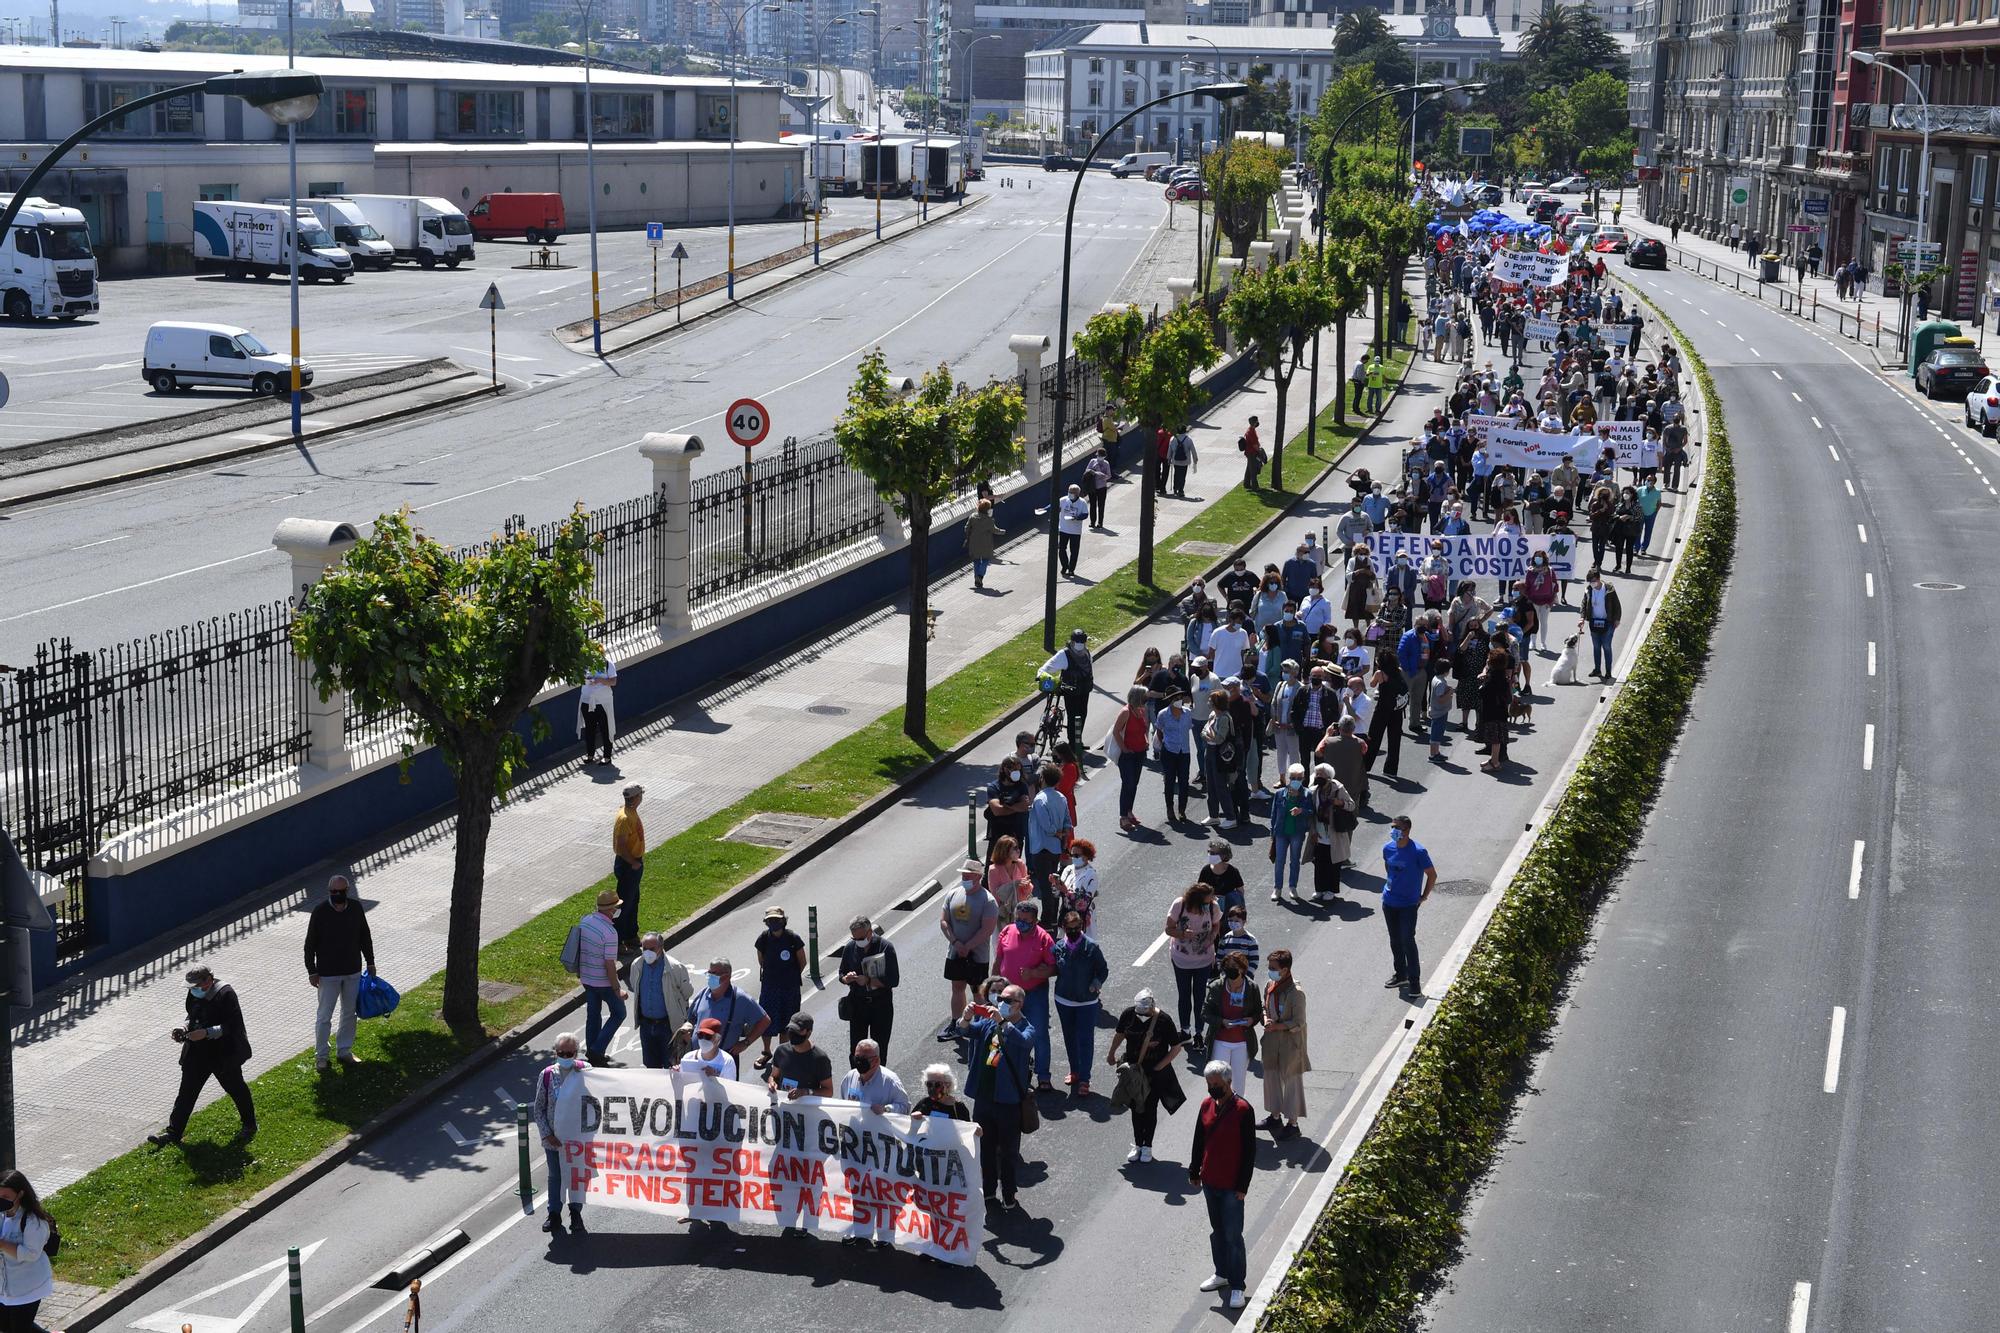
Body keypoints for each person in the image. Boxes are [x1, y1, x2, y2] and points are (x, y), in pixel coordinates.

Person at [147, 963, 255, 1146]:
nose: (193, 990)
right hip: (197, 1053)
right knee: (186, 1093)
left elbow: (233, 1025)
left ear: (209, 981)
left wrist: (206, 1033)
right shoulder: (194, 993)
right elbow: (192, 1014)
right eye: (191, 987)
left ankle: (249, 1125)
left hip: (223, 1053)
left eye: (196, 986)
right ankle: (174, 1133)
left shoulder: (226, 994)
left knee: (236, 1089)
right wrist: (184, 1027)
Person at [1189, 1060, 1258, 1310]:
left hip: (1231, 1187)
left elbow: (1249, 1152)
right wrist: (1194, 1169)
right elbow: (1199, 1139)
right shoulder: (1206, 1105)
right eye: (1209, 1084)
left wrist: (1243, 1186)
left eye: (1216, 1084)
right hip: (1210, 1181)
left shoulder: (1243, 1110)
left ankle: (1237, 1285)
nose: (1212, 1088)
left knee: (1232, 1235)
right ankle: (1222, 1274)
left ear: (1229, 1082)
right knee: (1217, 1232)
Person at [962, 983, 1035, 1209]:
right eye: (1000, 998)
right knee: (985, 1148)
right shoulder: (987, 1023)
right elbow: (965, 1030)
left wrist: (1002, 1023)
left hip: (1008, 1101)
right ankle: (989, 1191)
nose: (1002, 1003)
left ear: (1019, 1004)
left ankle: (1009, 1192)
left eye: (1008, 1000)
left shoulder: (1026, 1027)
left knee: (1008, 1151)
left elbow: (1024, 1043)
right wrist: (964, 1018)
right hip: (984, 1098)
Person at [304, 872, 376, 1071]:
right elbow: (310, 944)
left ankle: (344, 1051)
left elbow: (365, 936)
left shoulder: (355, 908)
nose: (337, 894)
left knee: (349, 1013)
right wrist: (312, 970)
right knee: (324, 1016)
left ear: (347, 891)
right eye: (333, 891)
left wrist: (370, 962)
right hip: (328, 974)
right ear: (329, 891)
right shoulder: (319, 912)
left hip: (352, 970)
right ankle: (321, 1056)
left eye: (340, 891)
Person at [1108, 988, 1187, 1163]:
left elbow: (1176, 1048)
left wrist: (1160, 1066)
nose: (1141, 1014)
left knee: (1150, 1108)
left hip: (1155, 1074)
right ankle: (1137, 1145)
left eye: (1145, 1011)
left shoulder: (1164, 1020)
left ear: (1152, 1006)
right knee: (1136, 1108)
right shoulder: (1128, 1014)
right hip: (1133, 1073)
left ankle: (1147, 1146)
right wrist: (1111, 1053)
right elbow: (1120, 1034)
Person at [994, 899, 1058, 1090]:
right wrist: (992, 985)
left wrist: (1035, 974)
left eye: (1026, 920)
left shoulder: (1044, 938)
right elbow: (998, 960)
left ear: (1035, 921)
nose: (1021, 923)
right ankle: (1013, 1072)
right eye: (1018, 919)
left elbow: (1055, 967)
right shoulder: (1007, 931)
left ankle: (1043, 1076)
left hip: (1034, 993)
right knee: (1005, 1033)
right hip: (1009, 995)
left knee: (1038, 1033)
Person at [532, 1032, 589, 1234]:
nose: (566, 1057)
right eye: (561, 1053)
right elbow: (538, 1109)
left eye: (570, 1053)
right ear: (555, 1053)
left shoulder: (586, 1072)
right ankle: (554, 1214)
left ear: (576, 1053)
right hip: (554, 1140)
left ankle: (576, 1213)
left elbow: (596, 1103)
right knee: (556, 1177)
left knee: (576, 1177)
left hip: (578, 1140)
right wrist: (547, 1134)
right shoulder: (547, 1074)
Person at [939, 860, 1000, 1041]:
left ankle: (981, 1026)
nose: (964, 877)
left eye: (968, 874)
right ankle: (956, 1024)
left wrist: (968, 946)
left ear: (979, 877)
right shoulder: (952, 894)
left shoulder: (988, 900)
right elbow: (944, 921)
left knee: (977, 991)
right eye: (963, 874)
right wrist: (956, 942)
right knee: (957, 987)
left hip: (977, 956)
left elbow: (987, 929)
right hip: (955, 952)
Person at [1051, 908, 1109, 1095]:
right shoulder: (1059, 947)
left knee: (1085, 1040)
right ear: (1064, 928)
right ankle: (1074, 1071)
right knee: (1069, 1038)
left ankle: (1085, 1078)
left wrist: (1095, 984)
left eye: (1077, 927)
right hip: (1063, 1000)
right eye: (1070, 928)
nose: (1074, 931)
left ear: (1082, 927)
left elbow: (1103, 970)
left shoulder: (1091, 947)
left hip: (1086, 1003)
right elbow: (1052, 967)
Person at [1381, 814, 1437, 997]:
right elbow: (1388, 867)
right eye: (1393, 828)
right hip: (1389, 902)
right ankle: (1401, 975)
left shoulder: (1418, 852)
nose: (1394, 831)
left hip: (1408, 905)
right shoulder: (1387, 848)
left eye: (1398, 828)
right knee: (1395, 940)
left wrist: (1423, 897)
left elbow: (1432, 875)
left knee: (1408, 940)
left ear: (1407, 831)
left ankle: (1414, 983)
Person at [685, 956, 771, 1067]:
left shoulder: (740, 999)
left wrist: (745, 1043)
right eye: (709, 973)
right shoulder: (703, 994)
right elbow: (691, 1019)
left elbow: (764, 1021)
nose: (709, 977)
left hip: (723, 1062)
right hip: (698, 1058)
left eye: (714, 974)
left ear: (726, 976)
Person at [1166, 881, 1223, 1047]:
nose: (1210, 902)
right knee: (1184, 995)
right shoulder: (1179, 905)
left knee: (1200, 997)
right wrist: (1183, 934)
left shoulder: (1213, 907)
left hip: (1204, 960)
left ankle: (1199, 1032)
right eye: (1206, 900)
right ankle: (1185, 1030)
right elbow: (1169, 929)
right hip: (1182, 959)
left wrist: (1211, 938)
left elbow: (1216, 925)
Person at [838, 915, 900, 1064]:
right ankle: (857, 1080)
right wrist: (846, 978)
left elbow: (893, 980)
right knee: (856, 1049)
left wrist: (869, 981)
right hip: (858, 1005)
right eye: (855, 939)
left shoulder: (886, 947)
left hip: (881, 1005)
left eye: (861, 938)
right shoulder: (850, 948)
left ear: (870, 932)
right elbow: (841, 973)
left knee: (880, 1048)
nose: (858, 942)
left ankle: (877, 1080)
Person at [574, 889, 626, 1066]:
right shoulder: (610, 933)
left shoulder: (586, 921)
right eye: (616, 907)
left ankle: (592, 1050)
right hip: (603, 982)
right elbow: (609, 964)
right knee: (619, 1013)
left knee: (593, 1015)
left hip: (587, 979)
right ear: (610, 910)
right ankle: (597, 1049)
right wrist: (617, 989)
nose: (618, 910)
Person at [1261, 951, 1308, 1139]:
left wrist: (1278, 1026)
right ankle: (1274, 1115)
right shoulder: (1270, 985)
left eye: (1273, 969)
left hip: (1290, 1042)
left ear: (1285, 969)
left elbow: (1299, 1022)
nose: (1270, 972)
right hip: (1272, 1039)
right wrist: (1265, 1019)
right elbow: (1264, 1006)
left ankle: (1293, 1123)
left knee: (1291, 1082)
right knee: (1271, 1078)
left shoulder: (1296, 993)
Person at [1201, 952, 1263, 1097]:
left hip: (1242, 1043)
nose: (1231, 970)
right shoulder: (1216, 986)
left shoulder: (1252, 987)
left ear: (1242, 968)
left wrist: (1251, 1020)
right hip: (1220, 1041)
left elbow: (1258, 1012)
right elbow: (1205, 1013)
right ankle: (1217, 1112)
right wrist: (1222, 1022)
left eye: (1234, 967)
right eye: (1228, 967)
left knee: (1239, 1083)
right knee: (1217, 1080)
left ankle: (1238, 1114)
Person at [0, 1171, 54, 1332]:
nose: (1, 1200)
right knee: (6, 1326)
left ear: (21, 1194)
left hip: (27, 1287)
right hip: (5, 1286)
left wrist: (2, 1244)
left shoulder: (33, 1220)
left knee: (18, 1328)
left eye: (6, 1196)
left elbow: (31, 1254)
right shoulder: (1, 1215)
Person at [633, 932, 695, 1070]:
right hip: (646, 1026)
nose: (648, 953)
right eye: (645, 949)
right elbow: (635, 987)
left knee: (672, 1066)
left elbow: (687, 992)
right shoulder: (637, 965)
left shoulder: (675, 968)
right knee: (651, 1066)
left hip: (668, 1026)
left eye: (652, 949)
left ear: (661, 947)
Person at [1026, 762, 1073, 917]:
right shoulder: (1061, 797)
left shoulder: (1040, 799)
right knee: (1054, 883)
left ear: (1043, 778)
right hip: (1055, 848)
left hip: (1041, 847)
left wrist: (1057, 833)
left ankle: (1048, 917)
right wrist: (1063, 835)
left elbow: (1047, 826)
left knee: (1046, 886)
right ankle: (1053, 916)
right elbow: (1068, 821)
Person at [1306, 763, 1358, 900]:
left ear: (1328, 776)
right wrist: (1313, 832)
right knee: (1319, 863)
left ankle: (1331, 890)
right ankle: (1320, 889)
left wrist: (1340, 803)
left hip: (1334, 834)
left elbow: (1351, 805)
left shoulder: (1338, 788)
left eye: (1321, 774)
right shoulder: (1313, 791)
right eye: (1316, 774)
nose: (1318, 776)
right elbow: (1311, 814)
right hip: (1319, 833)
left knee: (1333, 864)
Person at [1043, 628, 1094, 748]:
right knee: (1073, 716)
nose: (1080, 645)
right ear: (1072, 641)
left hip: (1084, 690)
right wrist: (1042, 676)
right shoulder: (1064, 654)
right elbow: (1048, 667)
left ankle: (1078, 740)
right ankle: (1073, 743)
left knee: (1082, 714)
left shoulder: (1086, 652)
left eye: (1082, 642)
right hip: (1070, 691)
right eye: (1078, 641)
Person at [1268, 762, 1311, 901]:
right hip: (1281, 832)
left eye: (1299, 778)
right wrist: (1272, 832)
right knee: (1279, 861)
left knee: (1294, 861)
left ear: (1303, 778)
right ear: (1289, 777)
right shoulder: (1280, 794)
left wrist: (1301, 810)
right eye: (1293, 777)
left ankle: (1293, 887)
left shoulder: (1306, 794)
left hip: (1297, 833)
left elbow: (1311, 811)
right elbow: (1274, 813)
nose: (1296, 781)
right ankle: (1277, 888)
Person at [1111, 684, 1150, 831]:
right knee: (1128, 784)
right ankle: (1123, 817)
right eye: (1144, 697)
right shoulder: (1126, 712)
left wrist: (1146, 741)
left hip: (1139, 752)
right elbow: (1116, 732)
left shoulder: (1140, 710)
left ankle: (1129, 811)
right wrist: (1125, 749)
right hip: (1128, 755)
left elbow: (1144, 729)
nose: (1146, 700)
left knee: (1134, 784)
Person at [611, 784, 645, 952]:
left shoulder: (629, 811)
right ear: (636, 797)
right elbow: (621, 845)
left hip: (633, 862)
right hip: (629, 864)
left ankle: (631, 935)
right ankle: (617, 942)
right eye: (641, 794)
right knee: (624, 903)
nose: (642, 796)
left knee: (633, 900)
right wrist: (633, 862)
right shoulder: (625, 818)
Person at [840, 1039, 911, 1116]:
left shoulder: (890, 1081)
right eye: (857, 1057)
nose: (859, 1062)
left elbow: (905, 1107)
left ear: (876, 1060)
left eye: (864, 1058)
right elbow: (842, 1104)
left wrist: (886, 1109)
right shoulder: (850, 1077)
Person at [1581, 565, 1623, 680]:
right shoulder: (1589, 590)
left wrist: (1617, 619)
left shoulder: (1609, 589)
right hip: (1594, 623)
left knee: (1606, 646)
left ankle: (1608, 671)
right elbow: (1584, 604)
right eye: (1589, 581)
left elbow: (1617, 606)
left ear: (1598, 579)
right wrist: (1582, 618)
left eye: (1593, 581)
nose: (1591, 583)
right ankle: (1597, 669)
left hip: (1608, 623)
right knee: (1596, 646)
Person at [577, 653, 616, 765]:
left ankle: (607, 757)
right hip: (587, 700)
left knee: (605, 728)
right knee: (589, 729)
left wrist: (599, 680)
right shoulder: (584, 664)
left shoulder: (608, 664)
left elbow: (613, 681)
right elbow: (579, 679)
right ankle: (590, 755)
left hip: (603, 702)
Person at [1059, 839, 1101, 936]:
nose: (1073, 858)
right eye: (1072, 855)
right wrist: (1055, 885)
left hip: (1082, 918)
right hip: (1066, 915)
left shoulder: (1091, 874)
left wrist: (1067, 892)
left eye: (1077, 855)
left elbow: (1084, 902)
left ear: (1086, 856)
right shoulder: (1068, 869)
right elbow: (1057, 893)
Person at [986, 834, 1030, 918]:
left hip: (1021, 911)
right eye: (1015, 848)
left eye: (1018, 847)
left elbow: (1028, 891)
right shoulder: (993, 870)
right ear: (1005, 851)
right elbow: (996, 895)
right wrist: (1015, 884)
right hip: (1004, 913)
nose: (1018, 850)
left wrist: (1026, 886)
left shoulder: (1020, 864)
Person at [966, 498, 1003, 590]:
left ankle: (976, 579)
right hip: (986, 543)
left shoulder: (972, 517)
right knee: (985, 560)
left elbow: (967, 528)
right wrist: (1003, 531)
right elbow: (994, 530)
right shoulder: (989, 520)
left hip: (974, 543)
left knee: (976, 561)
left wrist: (969, 536)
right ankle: (980, 576)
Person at [1057, 483, 1089, 576]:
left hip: (1075, 531)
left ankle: (1071, 569)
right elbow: (1054, 506)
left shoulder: (1082, 502)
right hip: (1063, 529)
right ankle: (1065, 565)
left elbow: (1085, 514)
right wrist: (1044, 509)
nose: (1070, 493)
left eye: (1073, 492)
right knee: (1061, 549)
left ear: (1078, 493)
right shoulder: (1063, 500)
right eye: (1069, 491)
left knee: (1074, 551)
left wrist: (1077, 517)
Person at [1084, 447, 1112, 528]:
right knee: (1092, 505)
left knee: (1101, 505)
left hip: (1102, 487)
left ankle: (1100, 522)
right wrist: (1093, 470)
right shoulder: (1093, 461)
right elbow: (1087, 471)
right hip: (1092, 486)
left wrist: (1102, 476)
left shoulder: (1106, 463)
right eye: (1099, 456)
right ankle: (1092, 522)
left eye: (1101, 456)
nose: (1100, 457)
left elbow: (1109, 475)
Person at [1168, 424, 1198, 497]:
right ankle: (1181, 490)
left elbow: (1170, 450)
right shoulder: (1188, 439)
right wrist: (1195, 459)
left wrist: (1169, 458)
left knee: (1176, 474)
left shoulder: (1173, 439)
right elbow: (1193, 450)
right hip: (1185, 461)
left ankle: (1175, 488)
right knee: (1183, 475)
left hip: (1176, 460)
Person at [1239, 415, 1263, 489]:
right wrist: (1259, 451)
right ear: (1255, 422)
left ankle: (1246, 484)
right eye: (1257, 421)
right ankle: (1255, 486)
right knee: (1253, 470)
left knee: (1249, 468)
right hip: (1252, 453)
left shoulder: (1250, 430)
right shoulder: (1251, 432)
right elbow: (1254, 444)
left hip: (1249, 452)